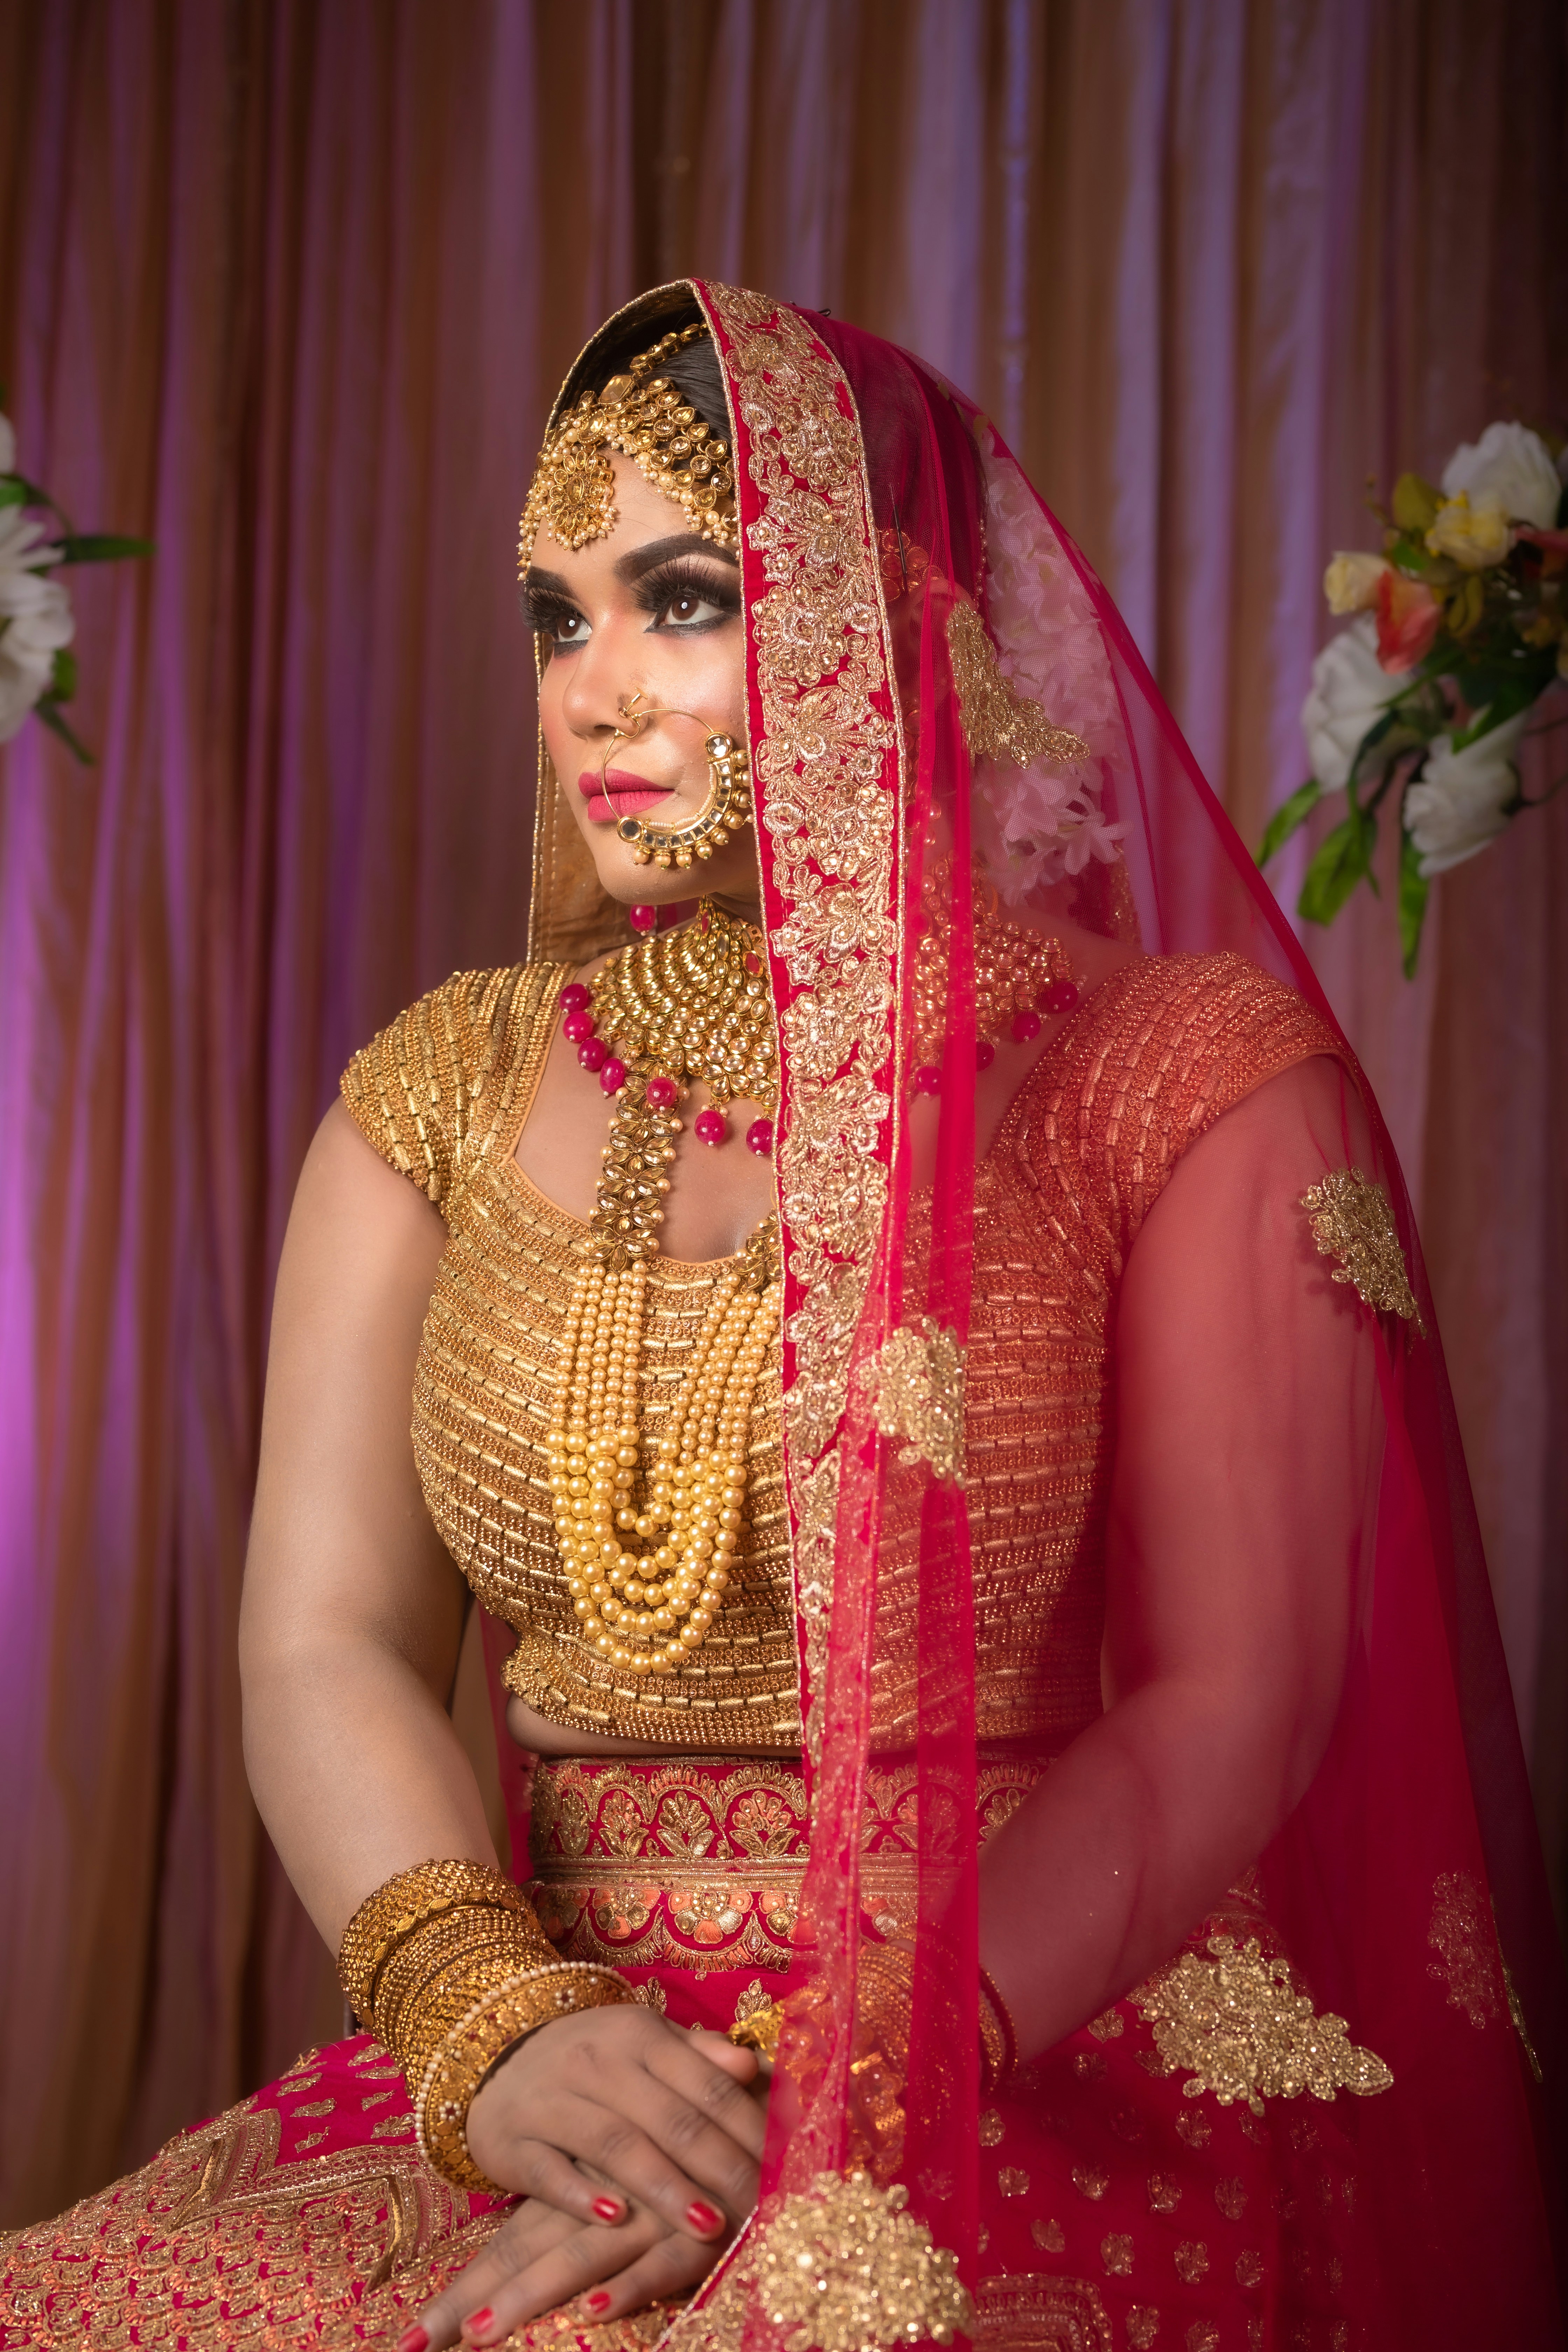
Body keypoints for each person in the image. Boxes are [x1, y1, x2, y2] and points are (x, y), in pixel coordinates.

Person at [2, 281, 1562, 2352]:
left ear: (892, 618)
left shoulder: (1166, 1079)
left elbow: (1235, 1699)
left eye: (680, 599)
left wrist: (852, 2085)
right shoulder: (442, 1089)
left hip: (1019, 2047)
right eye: (560, 618)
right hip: (545, 2064)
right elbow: (324, 1634)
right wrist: (499, 2022)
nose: (593, 692)